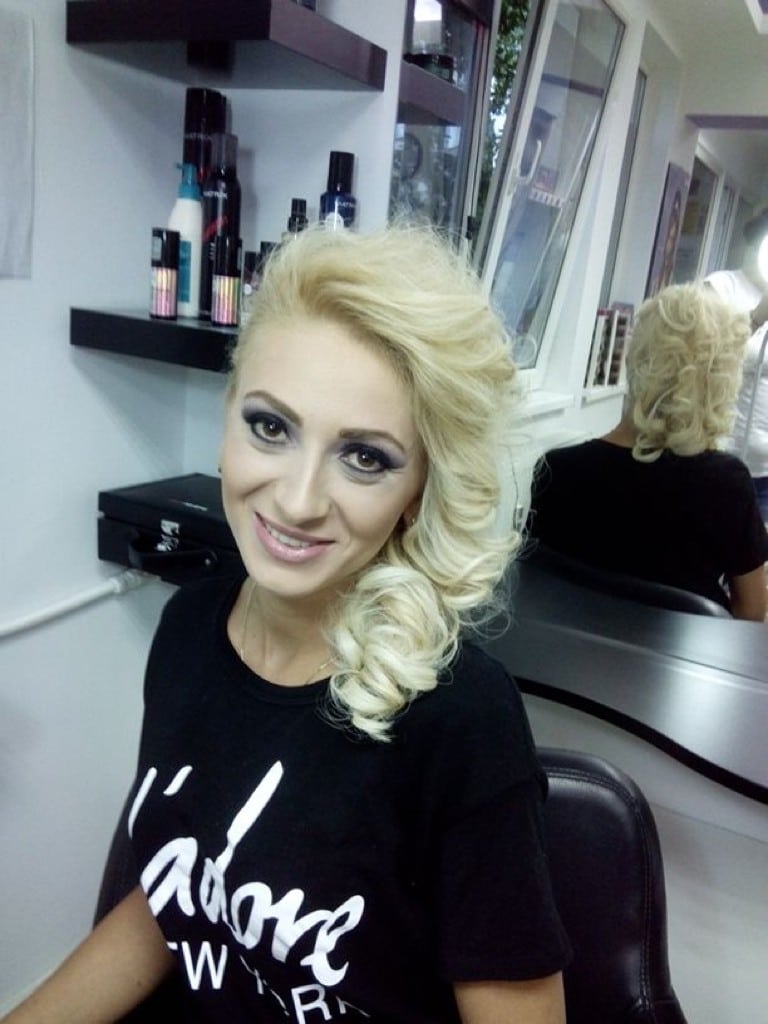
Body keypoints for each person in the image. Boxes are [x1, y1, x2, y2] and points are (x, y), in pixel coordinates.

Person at [3, 226, 570, 1024]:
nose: (299, 500)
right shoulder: (187, 629)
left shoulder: (460, 720)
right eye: (271, 427)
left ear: (418, 491)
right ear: (229, 414)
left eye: (365, 457)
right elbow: (175, 893)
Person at [529, 282, 768, 620]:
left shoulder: (556, 471)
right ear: (720, 379)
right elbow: (752, 616)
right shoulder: (726, 486)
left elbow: (535, 593)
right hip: (681, 670)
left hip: (556, 669)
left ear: (637, 357)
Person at [705, 207, 768, 520]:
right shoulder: (722, 288)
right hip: (719, 462)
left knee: (757, 569)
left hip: (766, 475)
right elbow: (699, 357)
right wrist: (758, 315)